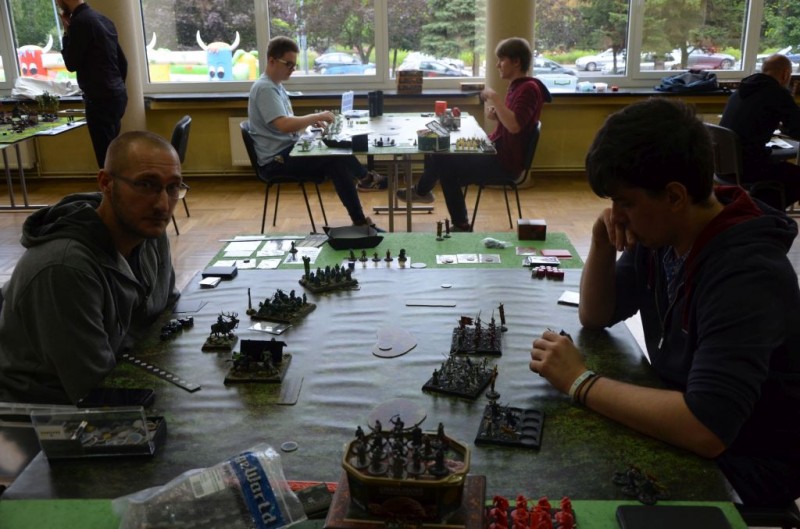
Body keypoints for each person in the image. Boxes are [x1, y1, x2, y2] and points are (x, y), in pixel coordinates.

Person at [530, 98, 800, 508]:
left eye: (625, 202)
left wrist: (580, 381)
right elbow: (596, 314)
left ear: (675, 195)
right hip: (684, 412)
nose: (617, 215)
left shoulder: (748, 274)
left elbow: (707, 429)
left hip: (746, 460)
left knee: (570, 486)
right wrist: (601, 241)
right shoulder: (667, 233)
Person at [0, 131, 183, 404]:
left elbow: (164, 314)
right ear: (106, 183)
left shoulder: (149, 232)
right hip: (46, 410)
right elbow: (97, 393)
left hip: (118, 377)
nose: (162, 205)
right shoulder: (65, 267)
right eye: (146, 185)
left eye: (173, 188)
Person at [397, 37, 551, 232]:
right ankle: (424, 194)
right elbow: (514, 121)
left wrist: (495, 98)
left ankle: (452, 216)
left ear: (516, 62)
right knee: (441, 154)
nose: (497, 65)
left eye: (501, 60)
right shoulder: (518, 86)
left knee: (443, 162)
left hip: (505, 163)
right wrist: (498, 115)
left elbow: (514, 127)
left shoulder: (529, 89)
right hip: (497, 152)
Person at [247, 36, 382, 228]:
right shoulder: (265, 89)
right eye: (288, 64)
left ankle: (360, 218)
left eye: (294, 65)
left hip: (286, 151)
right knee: (334, 155)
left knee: (336, 161)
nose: (292, 69)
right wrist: (315, 116)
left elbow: (284, 123)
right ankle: (365, 180)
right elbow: (284, 125)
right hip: (275, 162)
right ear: (272, 61)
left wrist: (310, 123)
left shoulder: (276, 86)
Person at [719, 53, 800, 209]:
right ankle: (763, 211)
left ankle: (757, 208)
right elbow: (798, 129)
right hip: (749, 168)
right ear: (785, 74)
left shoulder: (741, 90)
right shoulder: (777, 92)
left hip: (725, 165)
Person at [58, 0, 128, 169]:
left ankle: (111, 186)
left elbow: (71, 63)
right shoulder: (103, 19)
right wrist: (116, 86)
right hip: (117, 95)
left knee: (105, 158)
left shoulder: (79, 23)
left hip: (99, 99)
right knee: (113, 153)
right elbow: (122, 62)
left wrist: (67, 33)